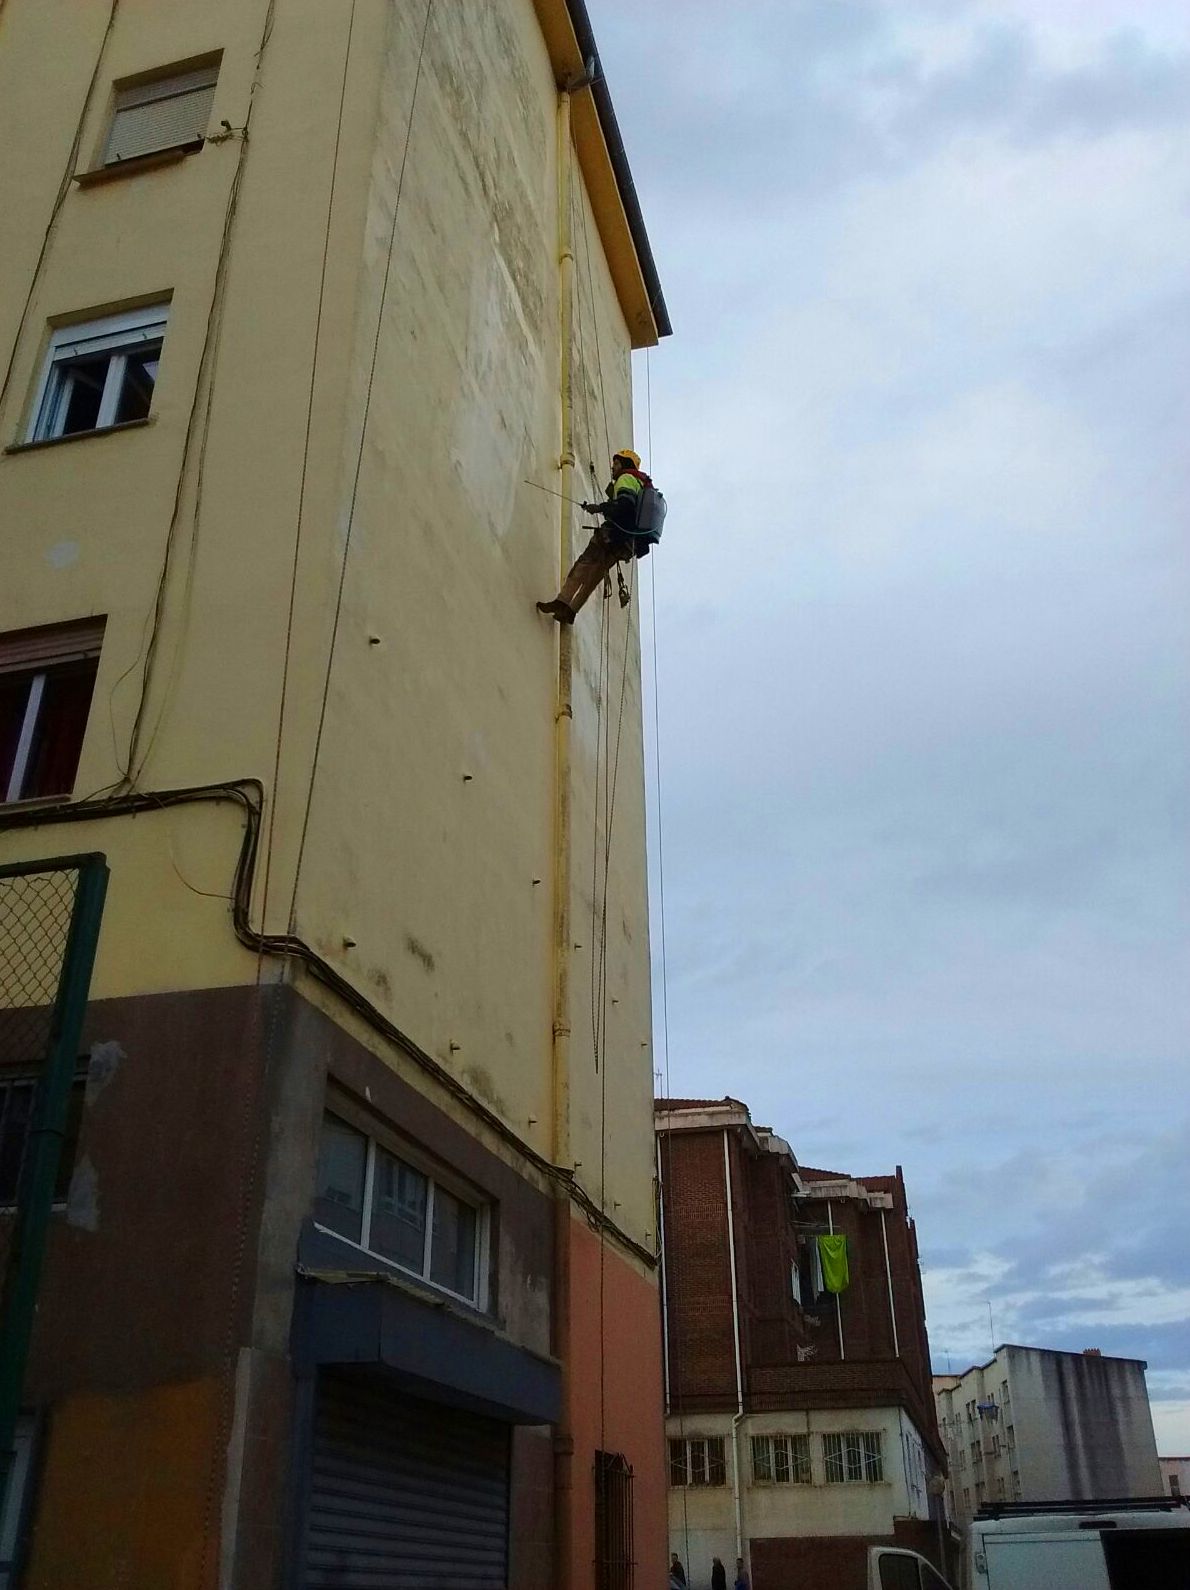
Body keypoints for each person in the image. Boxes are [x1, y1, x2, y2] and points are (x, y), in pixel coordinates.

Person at [537, 448, 656, 623]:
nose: (613, 467)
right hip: (626, 544)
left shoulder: (626, 478)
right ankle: (571, 610)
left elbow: (624, 505)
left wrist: (599, 508)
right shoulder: (641, 484)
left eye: (616, 463)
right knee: (596, 574)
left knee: (584, 565)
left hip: (613, 534)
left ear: (625, 464)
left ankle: (562, 601)